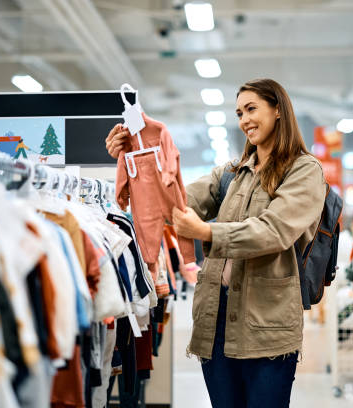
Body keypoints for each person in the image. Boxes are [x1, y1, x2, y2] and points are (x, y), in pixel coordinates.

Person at [105, 78, 326, 408]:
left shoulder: (304, 170)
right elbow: (173, 205)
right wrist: (136, 156)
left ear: (278, 109)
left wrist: (208, 233)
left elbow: (274, 231)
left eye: (252, 109)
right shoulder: (232, 172)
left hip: (267, 325)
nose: (245, 120)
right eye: (239, 113)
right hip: (215, 319)